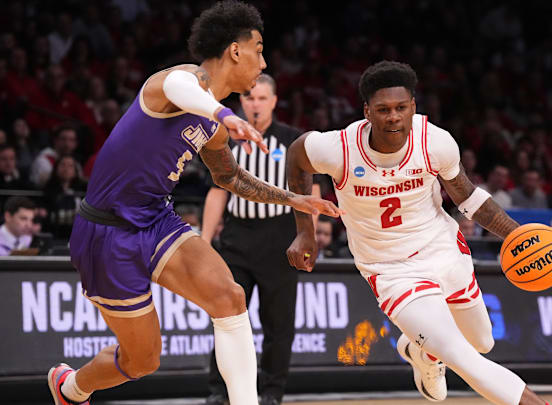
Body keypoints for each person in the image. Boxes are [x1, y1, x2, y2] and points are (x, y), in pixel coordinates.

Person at [47, 3, 341, 405]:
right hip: (105, 233)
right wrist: (222, 113)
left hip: (157, 221)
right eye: (258, 49)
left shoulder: (216, 127)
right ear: (235, 50)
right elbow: (179, 91)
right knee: (142, 361)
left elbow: (230, 178)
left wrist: (294, 198)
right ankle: (71, 387)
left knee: (230, 297)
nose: (264, 60)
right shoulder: (179, 80)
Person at [286, 61, 547, 405]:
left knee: (481, 342)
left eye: (400, 107)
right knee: (462, 356)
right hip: (390, 269)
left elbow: (466, 196)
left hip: (442, 249)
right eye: (383, 109)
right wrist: (305, 229)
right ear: (367, 112)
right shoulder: (339, 148)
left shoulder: (436, 142)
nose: (393, 116)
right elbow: (296, 156)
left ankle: (420, 351)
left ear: (413, 106)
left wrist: (516, 234)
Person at [201, 73, 305, 405]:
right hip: (237, 237)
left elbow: (309, 191)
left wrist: (308, 235)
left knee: (278, 324)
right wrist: (204, 240)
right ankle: (220, 391)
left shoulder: (292, 140)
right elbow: (217, 193)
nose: (255, 104)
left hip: (280, 238)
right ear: (241, 102)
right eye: (249, 98)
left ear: (274, 101)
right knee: (227, 318)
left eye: (261, 98)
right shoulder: (227, 140)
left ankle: (272, 392)